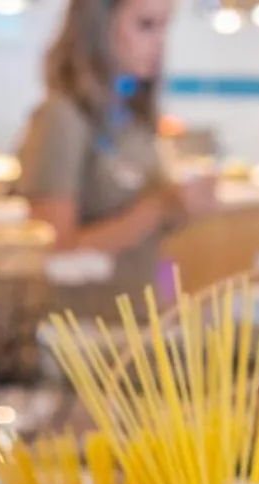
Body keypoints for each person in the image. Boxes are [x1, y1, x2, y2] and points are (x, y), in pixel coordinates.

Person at [17, 0, 216, 300]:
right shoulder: (62, 117)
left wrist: (180, 207)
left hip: (136, 317)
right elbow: (52, 249)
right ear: (98, 26)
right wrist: (157, 208)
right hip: (82, 328)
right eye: (146, 25)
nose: (160, 42)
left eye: (165, 28)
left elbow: (140, 232)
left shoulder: (132, 118)